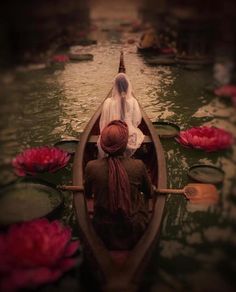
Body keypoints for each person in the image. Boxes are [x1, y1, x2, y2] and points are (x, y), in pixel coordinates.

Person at [84, 120, 153, 250]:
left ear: (103, 144)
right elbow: (149, 193)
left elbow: (87, 194)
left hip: (102, 228)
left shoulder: (91, 166)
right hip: (135, 227)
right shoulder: (138, 165)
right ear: (125, 144)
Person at [98, 72, 144, 157]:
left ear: (115, 87)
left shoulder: (108, 102)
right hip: (128, 134)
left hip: (112, 134)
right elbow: (136, 121)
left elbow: (103, 123)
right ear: (127, 87)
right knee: (136, 132)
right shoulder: (133, 101)